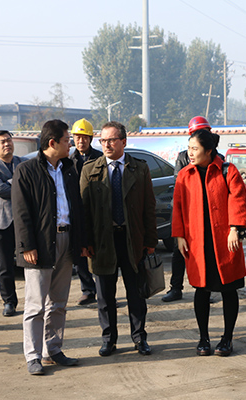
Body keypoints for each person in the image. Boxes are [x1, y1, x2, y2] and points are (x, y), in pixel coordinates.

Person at [12, 119, 87, 375]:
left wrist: (81, 242)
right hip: (41, 244)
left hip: (66, 241)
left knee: (58, 302)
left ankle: (53, 349)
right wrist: (27, 245)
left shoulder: (69, 169)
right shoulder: (26, 170)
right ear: (52, 142)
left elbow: (77, 207)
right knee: (36, 305)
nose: (70, 145)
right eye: (67, 140)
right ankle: (33, 355)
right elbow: (21, 212)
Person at [80, 121, 157, 358]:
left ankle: (139, 338)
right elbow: (84, 210)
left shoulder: (139, 168)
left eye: (112, 140)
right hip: (102, 242)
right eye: (103, 140)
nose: (107, 145)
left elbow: (149, 207)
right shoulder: (90, 169)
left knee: (136, 294)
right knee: (105, 296)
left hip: (132, 239)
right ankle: (108, 339)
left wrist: (150, 241)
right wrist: (85, 242)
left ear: (123, 141)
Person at [172, 128, 246, 357]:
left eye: (195, 149)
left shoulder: (227, 170)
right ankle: (203, 338)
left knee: (229, 289)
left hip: (225, 240)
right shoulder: (185, 174)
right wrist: (179, 235)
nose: (190, 153)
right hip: (197, 241)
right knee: (201, 290)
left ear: (209, 151)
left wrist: (235, 228)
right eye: (189, 148)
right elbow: (177, 206)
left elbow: (239, 199)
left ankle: (227, 338)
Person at [163, 116, 211, 303]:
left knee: (207, 251)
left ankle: (206, 288)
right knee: (179, 251)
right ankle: (176, 288)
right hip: (187, 212)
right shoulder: (184, 157)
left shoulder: (218, 158)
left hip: (207, 213)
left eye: (204, 132)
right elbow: (179, 184)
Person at [0, 130, 25, 317]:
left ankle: (35, 299)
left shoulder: (22, 162)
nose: (7, 144)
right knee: (5, 266)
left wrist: (8, 183)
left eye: (9, 140)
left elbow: (30, 186)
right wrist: (18, 183)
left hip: (23, 219)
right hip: (1, 221)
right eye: (2, 142)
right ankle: (9, 301)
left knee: (30, 262)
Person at [69, 118, 102, 306]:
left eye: (84, 137)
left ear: (90, 138)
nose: (80, 141)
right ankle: (88, 290)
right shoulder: (68, 160)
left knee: (100, 253)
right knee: (80, 252)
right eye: (77, 137)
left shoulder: (100, 158)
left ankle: (104, 291)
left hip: (97, 212)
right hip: (77, 212)